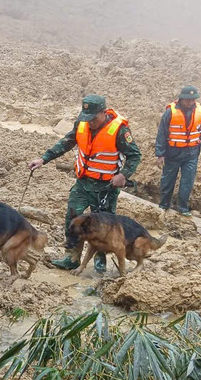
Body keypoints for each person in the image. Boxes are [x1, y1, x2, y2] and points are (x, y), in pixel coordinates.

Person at [28, 94, 142, 273]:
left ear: (104, 113)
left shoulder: (120, 130)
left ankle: (100, 257)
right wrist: (43, 159)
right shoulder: (82, 124)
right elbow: (66, 143)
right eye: (87, 118)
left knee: (104, 224)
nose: (90, 122)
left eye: (94, 118)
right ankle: (72, 256)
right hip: (83, 182)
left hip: (106, 187)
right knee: (73, 217)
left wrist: (123, 175)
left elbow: (135, 156)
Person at [155, 85, 201, 216]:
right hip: (173, 152)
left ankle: (183, 207)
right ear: (181, 98)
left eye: (192, 99)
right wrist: (160, 154)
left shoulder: (200, 110)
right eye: (187, 99)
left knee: (187, 181)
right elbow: (162, 133)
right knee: (168, 180)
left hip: (191, 153)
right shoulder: (171, 112)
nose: (190, 102)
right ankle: (164, 205)